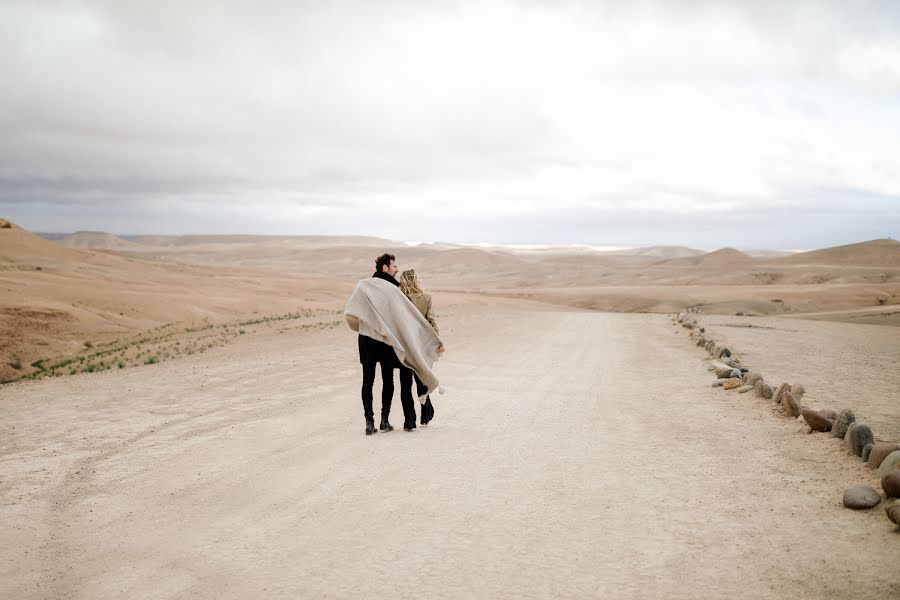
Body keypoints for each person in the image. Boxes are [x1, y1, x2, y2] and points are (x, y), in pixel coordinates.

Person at [345, 253, 444, 435]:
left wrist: (364, 326)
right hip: (384, 341)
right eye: (394, 266)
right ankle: (384, 420)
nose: (397, 269)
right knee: (387, 380)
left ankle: (369, 422)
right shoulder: (394, 289)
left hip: (366, 341)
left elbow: (352, 314)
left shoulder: (363, 285)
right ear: (385, 268)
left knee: (367, 381)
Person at [398, 269, 443, 426]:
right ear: (415, 280)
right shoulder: (426, 298)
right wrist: (438, 341)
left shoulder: (398, 299)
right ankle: (425, 416)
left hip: (403, 346)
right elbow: (431, 321)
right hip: (420, 346)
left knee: (405, 384)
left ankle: (409, 422)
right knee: (421, 380)